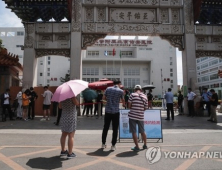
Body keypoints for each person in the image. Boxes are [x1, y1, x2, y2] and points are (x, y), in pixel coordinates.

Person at [101, 80, 125, 151]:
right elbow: (123, 101)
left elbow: (103, 98)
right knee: (115, 129)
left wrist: (108, 101)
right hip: (115, 112)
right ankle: (113, 145)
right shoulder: (120, 91)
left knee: (105, 127)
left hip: (108, 111)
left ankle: (103, 144)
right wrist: (123, 104)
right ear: (119, 84)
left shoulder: (108, 89)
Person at [128, 85, 148, 151]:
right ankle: (145, 145)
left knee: (134, 131)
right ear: (141, 89)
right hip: (141, 116)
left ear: (134, 89)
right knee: (142, 131)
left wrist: (133, 108)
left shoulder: (132, 95)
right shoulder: (145, 96)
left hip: (132, 116)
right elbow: (145, 108)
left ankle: (137, 147)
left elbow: (129, 105)